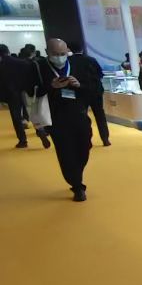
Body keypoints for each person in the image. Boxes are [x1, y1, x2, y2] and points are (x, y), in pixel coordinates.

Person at [33, 38, 96, 200]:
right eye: (55, 54)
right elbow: (32, 93)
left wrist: (79, 85)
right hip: (56, 118)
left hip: (79, 114)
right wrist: (51, 86)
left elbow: (92, 89)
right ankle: (77, 185)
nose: (60, 57)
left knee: (85, 146)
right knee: (66, 152)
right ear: (47, 52)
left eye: (63, 53)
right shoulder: (39, 67)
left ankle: (76, 174)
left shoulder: (78, 64)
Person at [0, 44, 28, 147]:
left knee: (16, 117)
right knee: (32, 110)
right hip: (23, 90)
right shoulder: (21, 62)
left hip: (9, 93)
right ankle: (40, 129)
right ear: (8, 51)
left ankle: (22, 140)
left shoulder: (1, 64)